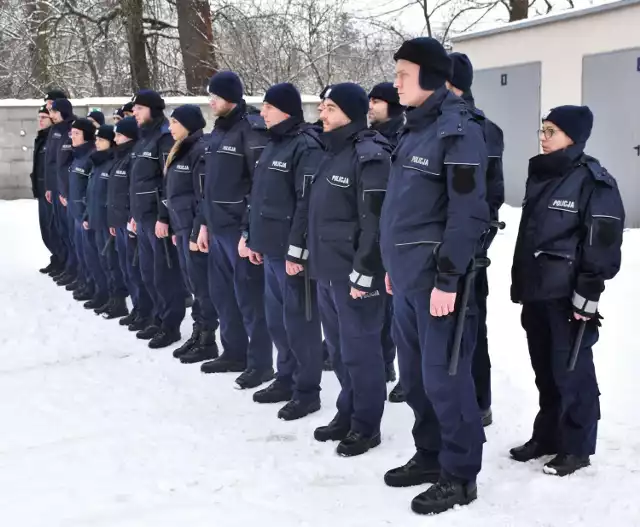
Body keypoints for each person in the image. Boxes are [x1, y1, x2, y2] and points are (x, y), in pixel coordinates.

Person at [379, 37, 489, 514]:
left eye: (404, 74)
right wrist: (390, 266)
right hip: (405, 277)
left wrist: (448, 278)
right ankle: (429, 454)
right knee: (416, 376)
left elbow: (468, 214)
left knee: (446, 378)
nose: (397, 82)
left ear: (428, 76)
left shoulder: (458, 131)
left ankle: (460, 475)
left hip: (437, 283)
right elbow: (402, 209)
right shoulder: (412, 129)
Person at [509, 106, 624, 476]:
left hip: (568, 296)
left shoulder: (593, 180)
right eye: (542, 130)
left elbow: (603, 240)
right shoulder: (542, 174)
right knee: (545, 370)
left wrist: (589, 290)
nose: (543, 137)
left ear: (573, 137)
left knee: (572, 371)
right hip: (537, 290)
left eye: (552, 131)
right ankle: (547, 436)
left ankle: (576, 447)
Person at [308, 82, 391, 457]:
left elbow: (374, 221)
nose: (321, 113)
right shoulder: (331, 151)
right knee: (340, 351)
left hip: (354, 275)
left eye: (329, 107)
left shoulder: (369, 154)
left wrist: (366, 271)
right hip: (328, 269)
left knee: (362, 351)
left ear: (349, 112)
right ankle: (347, 412)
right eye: (322, 107)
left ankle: (366, 425)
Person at [244, 83, 324, 420]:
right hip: (270, 249)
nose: (262, 113)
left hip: (292, 256)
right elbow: (259, 197)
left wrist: (297, 252)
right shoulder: (272, 145)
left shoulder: (305, 146)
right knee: (277, 322)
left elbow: (306, 204)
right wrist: (252, 236)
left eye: (268, 107)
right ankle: (285, 377)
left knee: (300, 324)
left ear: (286, 110)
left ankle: (307, 390)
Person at [196, 71, 273, 389]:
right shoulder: (218, 132)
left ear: (231, 97)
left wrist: (248, 232)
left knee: (249, 299)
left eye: (215, 95)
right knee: (223, 295)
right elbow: (207, 185)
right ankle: (234, 352)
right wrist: (202, 223)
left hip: (238, 231)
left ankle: (260, 363)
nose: (211, 100)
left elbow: (260, 186)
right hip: (215, 229)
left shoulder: (250, 131)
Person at [447, 52, 505, 427]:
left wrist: (472, 245)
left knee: (469, 327)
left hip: (464, 249)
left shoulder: (477, 128)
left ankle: (477, 402)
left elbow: (488, 196)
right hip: (455, 247)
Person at [163, 104, 220, 364]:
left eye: (174, 123)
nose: (170, 127)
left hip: (194, 230)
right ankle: (198, 332)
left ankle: (207, 338)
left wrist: (198, 229)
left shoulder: (199, 150)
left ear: (187, 125)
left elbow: (203, 195)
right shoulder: (181, 150)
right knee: (193, 283)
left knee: (202, 286)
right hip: (182, 227)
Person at [130, 90, 186, 349]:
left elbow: (167, 181)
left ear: (152, 109)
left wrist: (164, 216)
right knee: (148, 272)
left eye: (139, 109)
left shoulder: (164, 138)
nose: (134, 113)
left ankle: (170, 324)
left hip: (157, 219)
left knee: (164, 274)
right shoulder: (143, 140)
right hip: (141, 218)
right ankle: (157, 316)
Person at [368, 81, 406, 402]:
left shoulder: (402, 138)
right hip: (373, 230)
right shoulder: (370, 138)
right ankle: (384, 363)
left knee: (398, 311)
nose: (371, 106)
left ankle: (406, 373)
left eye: (377, 101)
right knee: (378, 306)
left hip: (396, 235)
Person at [108, 116, 154, 331]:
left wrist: (131, 217)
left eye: (119, 134)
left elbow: (132, 191)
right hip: (120, 220)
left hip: (132, 221)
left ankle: (145, 310)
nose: (115, 139)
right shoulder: (120, 156)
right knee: (128, 269)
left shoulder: (131, 158)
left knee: (137, 270)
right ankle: (137, 308)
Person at [85, 124, 130, 319]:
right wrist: (88, 215)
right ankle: (110, 297)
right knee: (104, 262)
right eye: (96, 139)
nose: (97, 143)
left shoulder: (113, 163)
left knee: (113, 263)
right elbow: (91, 194)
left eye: (101, 140)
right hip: (97, 220)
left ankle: (118, 301)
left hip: (109, 222)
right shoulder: (97, 163)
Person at [46, 98, 78, 288]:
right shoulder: (54, 130)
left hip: (67, 191)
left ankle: (75, 269)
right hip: (56, 188)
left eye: (55, 111)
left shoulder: (71, 129)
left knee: (72, 234)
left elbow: (69, 163)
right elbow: (51, 163)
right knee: (62, 231)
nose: (52, 115)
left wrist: (65, 190)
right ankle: (68, 265)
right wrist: (50, 187)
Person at [67, 118, 97, 302]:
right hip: (75, 212)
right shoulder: (77, 155)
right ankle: (86, 281)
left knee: (91, 253)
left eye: (77, 133)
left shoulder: (91, 157)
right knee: (81, 252)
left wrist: (87, 212)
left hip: (86, 214)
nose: (73, 137)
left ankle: (95, 287)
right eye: (72, 133)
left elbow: (91, 189)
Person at [31, 105, 58, 275]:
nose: (40, 120)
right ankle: (56, 259)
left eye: (44, 117)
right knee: (46, 230)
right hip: (42, 190)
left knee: (54, 229)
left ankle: (63, 262)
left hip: (51, 192)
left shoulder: (54, 138)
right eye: (39, 117)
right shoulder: (41, 138)